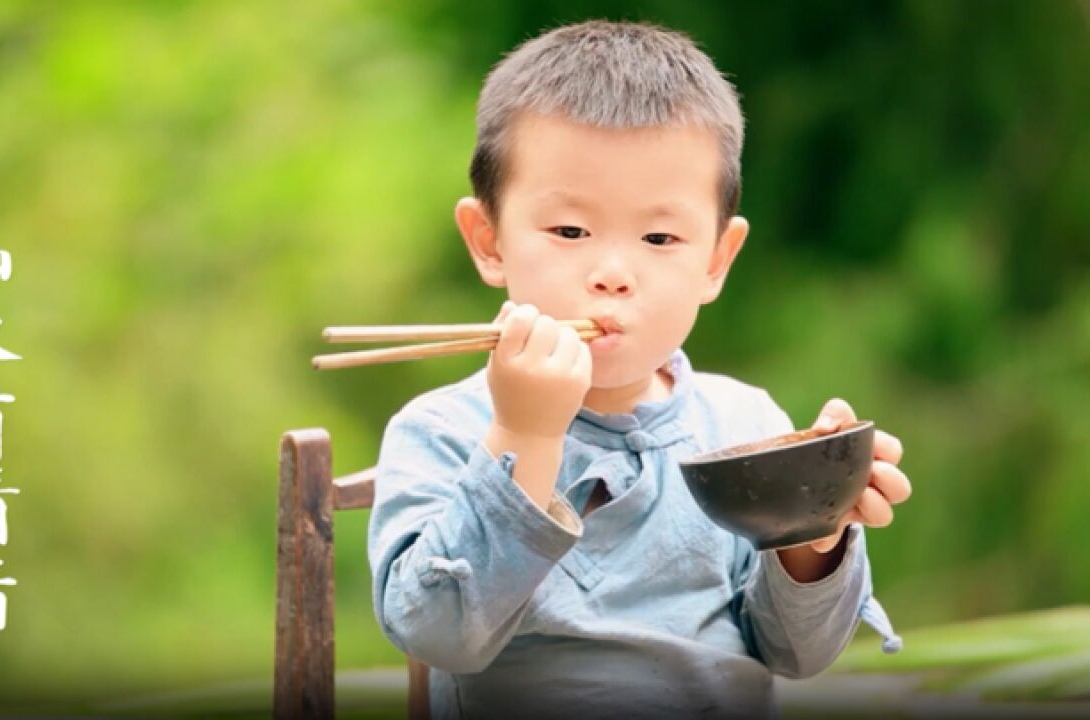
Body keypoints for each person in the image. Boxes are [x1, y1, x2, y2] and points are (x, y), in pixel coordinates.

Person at [366, 19, 911, 720]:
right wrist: (526, 435)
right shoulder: (442, 429)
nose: (614, 274)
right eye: (569, 232)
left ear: (716, 258)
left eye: (660, 237)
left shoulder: (742, 425)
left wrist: (813, 527)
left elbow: (797, 655)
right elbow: (439, 633)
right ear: (488, 239)